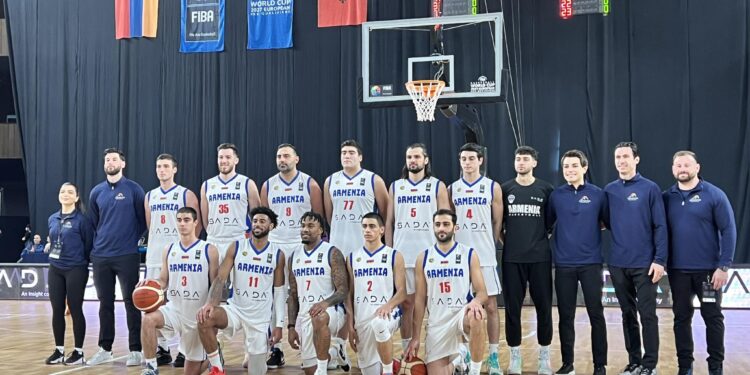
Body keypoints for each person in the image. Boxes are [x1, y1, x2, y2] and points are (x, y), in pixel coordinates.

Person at [664, 151, 736, 375]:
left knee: (713, 318)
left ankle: (715, 367)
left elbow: (729, 230)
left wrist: (723, 266)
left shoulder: (714, 195)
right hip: (678, 272)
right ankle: (685, 366)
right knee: (681, 319)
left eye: (687, 164)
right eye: (678, 165)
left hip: (708, 273)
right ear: (673, 169)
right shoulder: (667, 198)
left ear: (697, 167)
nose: (682, 168)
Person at [196, 207, 287, 375]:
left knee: (256, 371)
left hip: (260, 319)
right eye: (255, 221)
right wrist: (210, 303)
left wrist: (279, 325)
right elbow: (220, 279)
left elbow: (280, 292)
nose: (257, 224)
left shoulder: (277, 254)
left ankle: (259, 360)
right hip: (236, 310)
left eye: (262, 221)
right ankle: (217, 366)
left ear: (271, 226)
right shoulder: (237, 247)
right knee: (204, 318)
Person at [604, 141, 667, 375]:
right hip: (619, 263)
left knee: (648, 315)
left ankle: (649, 364)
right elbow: (607, 222)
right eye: (618, 157)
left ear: (636, 159)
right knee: (627, 314)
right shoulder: (609, 189)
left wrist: (659, 260)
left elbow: (660, 226)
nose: (621, 161)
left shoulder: (650, 188)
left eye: (626, 157)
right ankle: (634, 361)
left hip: (646, 265)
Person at [323, 139, 388, 368]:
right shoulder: (331, 180)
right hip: (339, 246)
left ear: (360, 157)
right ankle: (339, 344)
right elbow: (329, 216)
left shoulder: (373, 180)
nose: (346, 156)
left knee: (362, 297)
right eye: (343, 152)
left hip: (365, 248)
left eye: (351, 152)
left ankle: (370, 346)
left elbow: (384, 213)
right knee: (341, 294)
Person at [260, 143, 324, 368]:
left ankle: (318, 347)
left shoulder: (310, 184)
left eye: (286, 155)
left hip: (301, 246)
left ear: (297, 159)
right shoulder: (268, 185)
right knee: (274, 297)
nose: (282, 159)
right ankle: (274, 349)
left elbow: (318, 218)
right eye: (278, 156)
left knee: (307, 295)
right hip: (276, 245)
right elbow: (264, 219)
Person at [546, 150, 607, 375]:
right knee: (565, 316)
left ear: (584, 167)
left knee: (596, 314)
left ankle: (600, 365)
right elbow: (549, 224)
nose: (570, 170)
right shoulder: (556, 196)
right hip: (564, 265)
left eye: (574, 166)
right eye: (566, 167)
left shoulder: (598, 194)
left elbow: (605, 222)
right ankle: (567, 364)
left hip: (591, 263)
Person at [405, 209, 487, 375]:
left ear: (455, 228)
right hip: (437, 322)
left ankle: (475, 371)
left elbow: (483, 292)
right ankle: (460, 359)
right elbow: (420, 300)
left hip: (460, 315)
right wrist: (415, 337)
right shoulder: (424, 257)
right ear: (433, 227)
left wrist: (476, 302)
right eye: (438, 225)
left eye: (446, 224)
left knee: (477, 315)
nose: (441, 228)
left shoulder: (468, 254)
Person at [385, 143, 449, 356]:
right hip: (403, 255)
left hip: (431, 255)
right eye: (409, 157)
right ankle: (407, 352)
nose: (412, 160)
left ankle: (442, 350)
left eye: (416, 157)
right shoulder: (395, 186)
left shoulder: (437, 186)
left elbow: (446, 220)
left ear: (426, 160)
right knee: (407, 305)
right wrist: (389, 253)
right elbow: (389, 222)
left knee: (438, 304)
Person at [139, 207, 219, 375]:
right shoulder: (169, 249)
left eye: (187, 220)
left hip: (197, 316)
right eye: (179, 220)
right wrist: (150, 284)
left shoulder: (209, 249)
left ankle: (215, 356)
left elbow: (216, 285)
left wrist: (211, 311)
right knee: (148, 319)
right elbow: (163, 281)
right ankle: (151, 368)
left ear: (196, 222)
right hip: (174, 310)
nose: (182, 223)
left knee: (190, 373)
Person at [87, 147, 147, 366]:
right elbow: (93, 223)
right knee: (105, 303)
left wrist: (130, 240)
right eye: (107, 159)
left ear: (123, 163)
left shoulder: (134, 189)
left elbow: (143, 220)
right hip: (101, 255)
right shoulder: (96, 192)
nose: (110, 162)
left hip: (127, 254)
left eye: (114, 159)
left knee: (132, 302)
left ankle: (135, 349)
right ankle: (105, 348)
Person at [448, 143, 504, 375]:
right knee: (461, 307)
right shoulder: (452, 189)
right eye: (463, 158)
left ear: (480, 160)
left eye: (472, 158)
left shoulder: (492, 187)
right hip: (460, 258)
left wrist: (487, 244)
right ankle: (465, 354)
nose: (467, 162)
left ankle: (493, 357)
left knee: (490, 306)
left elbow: (497, 222)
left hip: (485, 256)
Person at [500, 146, 554, 375]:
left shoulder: (546, 189)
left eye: (525, 159)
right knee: (512, 309)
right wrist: (510, 241)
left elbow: (550, 224)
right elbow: (499, 224)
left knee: (544, 308)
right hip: (512, 258)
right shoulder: (505, 189)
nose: (521, 162)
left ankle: (544, 356)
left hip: (539, 258)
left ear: (534, 163)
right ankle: (515, 356)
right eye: (518, 159)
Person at [145, 153, 200, 366]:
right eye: (158, 166)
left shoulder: (185, 194)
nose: (162, 170)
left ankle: (186, 350)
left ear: (174, 169)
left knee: (184, 302)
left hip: (180, 256)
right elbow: (151, 225)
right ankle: (163, 349)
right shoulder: (150, 195)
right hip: (154, 255)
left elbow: (197, 224)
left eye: (166, 166)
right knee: (153, 303)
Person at [288, 212, 349, 375]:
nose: (305, 229)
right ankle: (335, 351)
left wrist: (325, 303)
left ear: (321, 230)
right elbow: (293, 295)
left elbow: (343, 290)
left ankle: (322, 370)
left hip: (331, 311)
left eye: (310, 226)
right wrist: (291, 326)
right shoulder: (294, 256)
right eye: (302, 226)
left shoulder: (332, 252)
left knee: (319, 317)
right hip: (305, 314)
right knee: (309, 370)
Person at [347, 213, 407, 375]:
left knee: (379, 324)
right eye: (364, 226)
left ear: (381, 230)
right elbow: (349, 294)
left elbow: (402, 293)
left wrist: (388, 305)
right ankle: (391, 363)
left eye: (372, 226)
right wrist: (350, 323)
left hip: (388, 313)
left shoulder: (394, 255)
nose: (367, 230)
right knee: (370, 371)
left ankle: (388, 371)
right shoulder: (352, 258)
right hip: (362, 316)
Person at [45, 182, 95, 366]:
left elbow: (88, 244)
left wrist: (80, 262)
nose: (65, 194)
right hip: (55, 268)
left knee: (75, 309)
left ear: (76, 197)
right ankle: (59, 350)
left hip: (75, 268)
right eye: (62, 191)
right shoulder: (52, 218)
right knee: (57, 310)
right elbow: (52, 238)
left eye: (70, 192)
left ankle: (79, 351)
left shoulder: (82, 220)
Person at [201, 143, 261, 262]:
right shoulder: (207, 185)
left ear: (236, 160)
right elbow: (205, 218)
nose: (223, 160)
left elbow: (257, 215)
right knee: (214, 280)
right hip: (214, 240)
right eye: (220, 157)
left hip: (238, 239)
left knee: (238, 280)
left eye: (228, 157)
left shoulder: (247, 183)